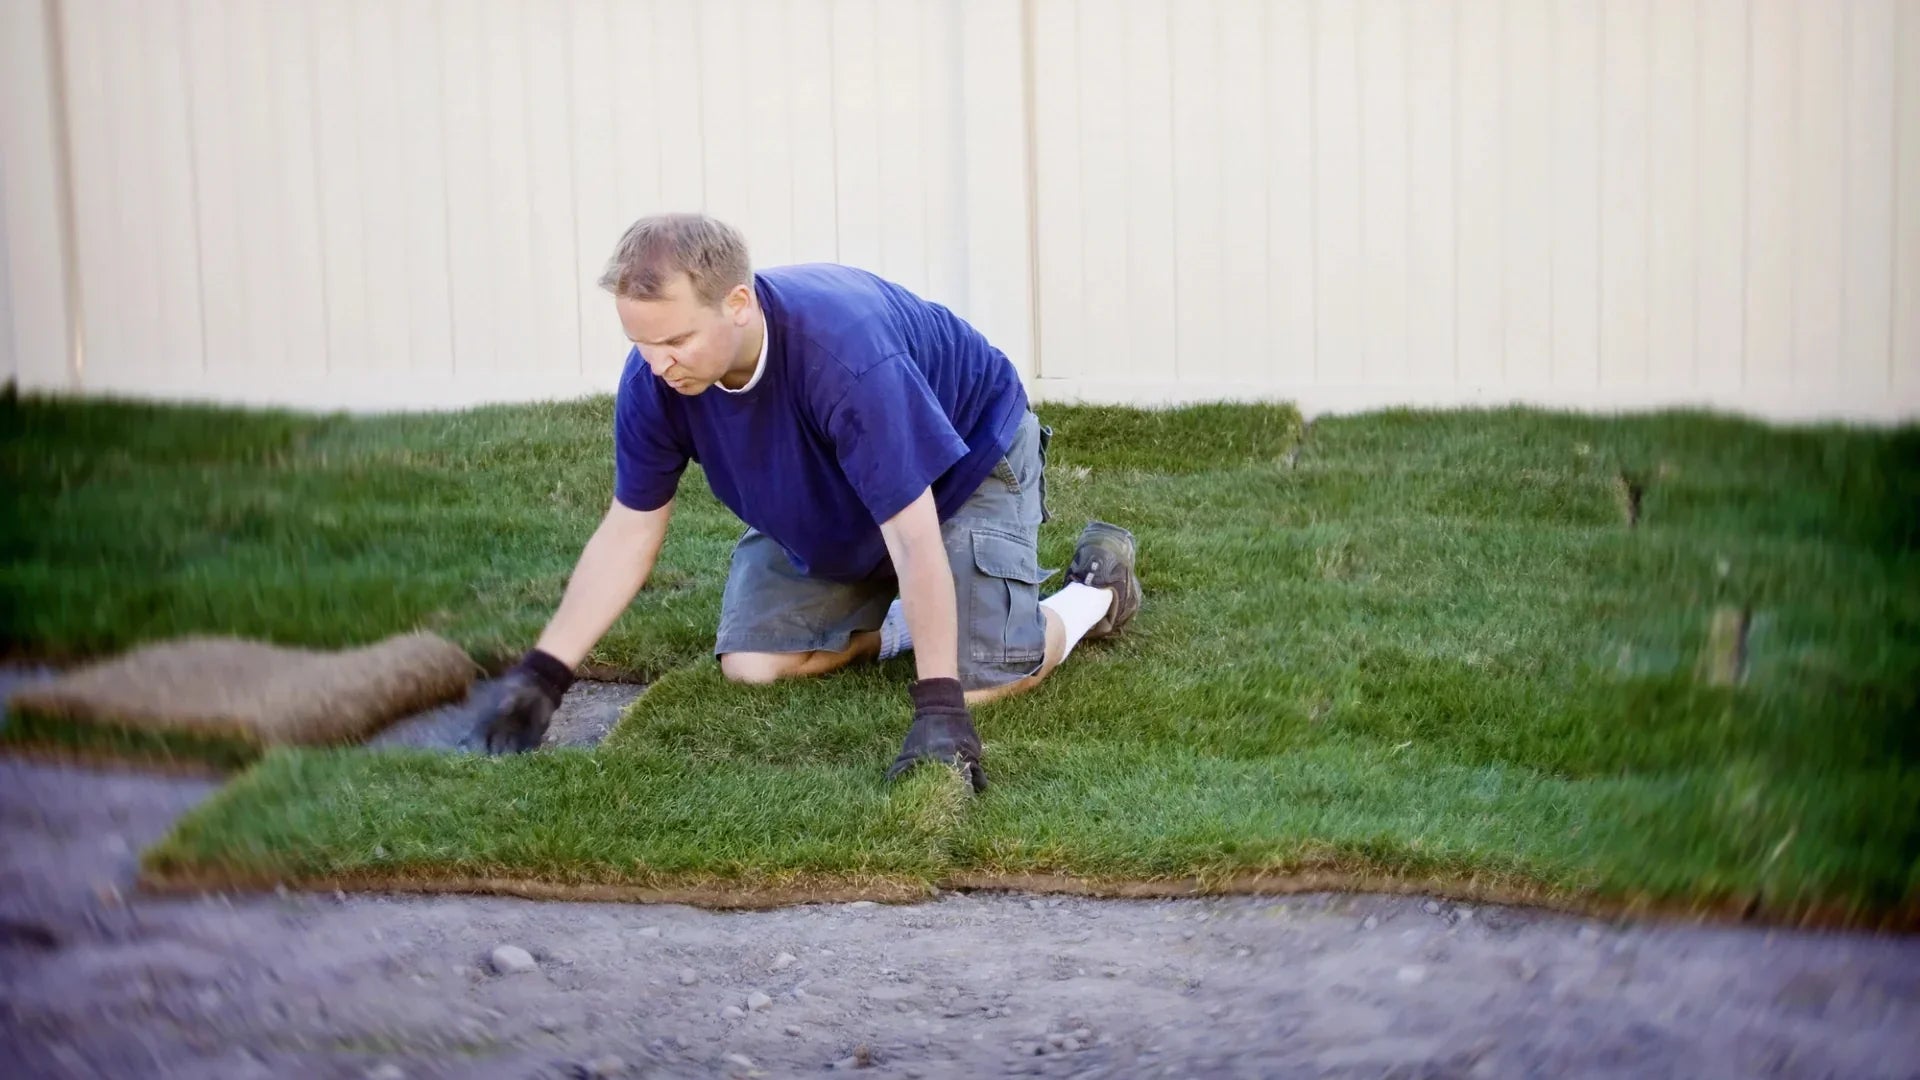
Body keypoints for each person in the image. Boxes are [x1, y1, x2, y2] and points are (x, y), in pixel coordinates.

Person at [461, 213, 1141, 790]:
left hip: (961, 461)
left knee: (978, 682)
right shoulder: (655, 381)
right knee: (752, 666)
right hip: (836, 490)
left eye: (674, 340)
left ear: (737, 304)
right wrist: (544, 674)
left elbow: (912, 534)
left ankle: (1095, 594)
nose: (657, 362)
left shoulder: (844, 357)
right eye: (640, 342)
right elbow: (629, 532)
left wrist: (938, 707)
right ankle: (913, 619)